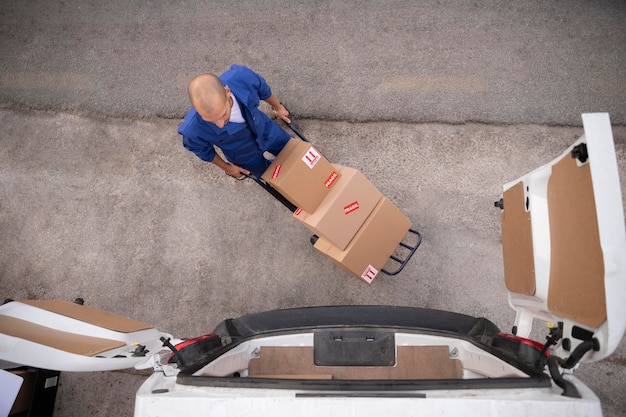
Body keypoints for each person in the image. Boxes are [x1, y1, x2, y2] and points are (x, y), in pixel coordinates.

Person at [178, 64, 293, 178]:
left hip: (267, 130)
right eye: (209, 120)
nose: (220, 124)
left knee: (292, 152)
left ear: (227, 91)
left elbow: (262, 89)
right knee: (270, 176)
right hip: (244, 155)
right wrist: (227, 167)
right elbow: (201, 150)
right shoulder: (191, 130)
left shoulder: (242, 78)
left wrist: (278, 107)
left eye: (223, 115)